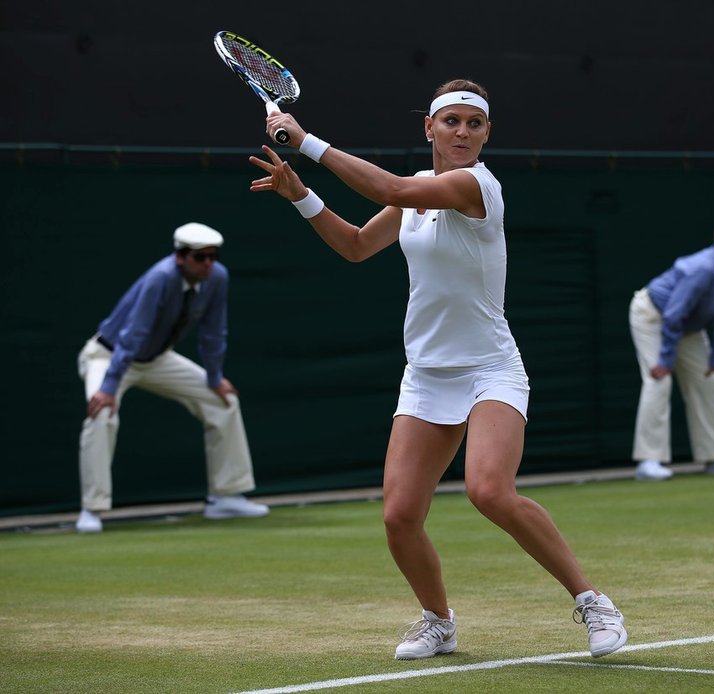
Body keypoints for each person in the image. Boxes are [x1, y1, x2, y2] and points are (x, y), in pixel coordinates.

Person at [248, 79, 627, 660]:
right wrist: (302, 195)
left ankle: (593, 601)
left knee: (489, 490)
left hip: (489, 370)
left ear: (486, 135)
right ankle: (439, 621)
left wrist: (307, 143)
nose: (462, 133)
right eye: (451, 122)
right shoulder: (418, 193)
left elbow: (393, 185)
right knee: (399, 516)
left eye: (474, 125)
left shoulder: (478, 185)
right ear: (429, 127)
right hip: (426, 374)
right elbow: (352, 245)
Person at [75, 223, 269, 533]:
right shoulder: (161, 278)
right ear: (181, 258)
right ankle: (92, 509)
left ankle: (225, 496)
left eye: (213, 256)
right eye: (200, 257)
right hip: (108, 355)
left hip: (157, 358)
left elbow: (213, 332)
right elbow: (132, 335)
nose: (208, 263)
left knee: (223, 399)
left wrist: (214, 376)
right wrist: (109, 387)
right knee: (102, 414)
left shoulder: (217, 277)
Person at [630, 217, 714, 481]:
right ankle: (649, 462)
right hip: (653, 316)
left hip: (688, 327)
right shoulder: (701, 269)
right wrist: (665, 361)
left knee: (710, 380)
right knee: (659, 381)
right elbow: (674, 315)